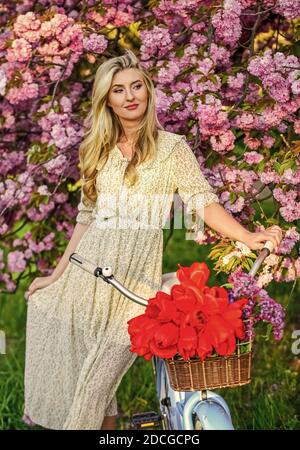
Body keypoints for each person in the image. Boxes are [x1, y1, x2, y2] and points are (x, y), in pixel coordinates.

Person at [23, 49, 283, 430]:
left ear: (147, 91)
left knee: (98, 378)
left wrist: (247, 235)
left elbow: (203, 202)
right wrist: (57, 274)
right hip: (88, 272)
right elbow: (85, 219)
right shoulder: (96, 151)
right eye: (118, 90)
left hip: (133, 281)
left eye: (136, 86)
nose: (130, 96)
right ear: (106, 100)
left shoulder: (171, 149)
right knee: (87, 374)